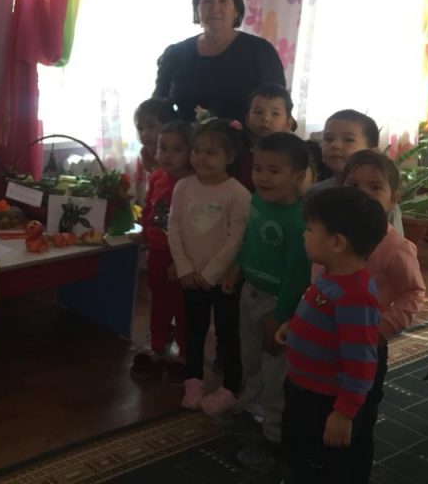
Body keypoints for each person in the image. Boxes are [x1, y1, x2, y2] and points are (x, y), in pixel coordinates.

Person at [276, 187, 386, 483]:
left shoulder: (355, 295)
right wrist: (294, 328)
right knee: (298, 453)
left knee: (322, 466)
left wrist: (343, 413)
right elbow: (325, 323)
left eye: (310, 229)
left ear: (337, 242)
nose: (304, 235)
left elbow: (362, 363)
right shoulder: (333, 277)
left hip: (325, 402)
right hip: (304, 389)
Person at [222, 132, 310, 471]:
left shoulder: (299, 219)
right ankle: (251, 407)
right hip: (250, 292)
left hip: (277, 303)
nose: (263, 177)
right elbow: (250, 240)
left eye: (274, 171)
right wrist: (238, 266)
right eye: (258, 168)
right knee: (250, 357)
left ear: (297, 176)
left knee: (275, 369)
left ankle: (274, 436)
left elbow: (297, 275)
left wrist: (281, 315)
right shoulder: (257, 200)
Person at [339, 150, 425, 481]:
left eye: (375, 187)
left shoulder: (394, 247)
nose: (362, 194)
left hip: (367, 347)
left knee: (359, 419)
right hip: (327, 339)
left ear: (393, 199)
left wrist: (381, 330)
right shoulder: (330, 234)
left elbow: (414, 293)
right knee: (323, 408)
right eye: (353, 185)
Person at [167, 118, 250, 415]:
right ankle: (194, 381)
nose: (201, 158)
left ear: (229, 156)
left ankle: (230, 387)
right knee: (194, 331)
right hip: (191, 277)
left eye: (210, 152)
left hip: (221, 278)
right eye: (197, 151)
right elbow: (173, 228)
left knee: (227, 333)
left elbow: (237, 238)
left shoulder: (237, 193)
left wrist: (211, 274)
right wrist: (184, 268)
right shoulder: (183, 187)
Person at [153, 0, 286, 124]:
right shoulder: (175, 53)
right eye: (207, 1)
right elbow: (157, 108)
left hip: (244, 138)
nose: (215, 9)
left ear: (236, 10)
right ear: (196, 10)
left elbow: (279, 108)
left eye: (223, 1)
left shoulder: (260, 51)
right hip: (187, 138)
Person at [132, 121, 193, 381]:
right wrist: (144, 234)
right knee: (159, 301)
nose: (168, 155)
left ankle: (185, 353)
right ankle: (158, 344)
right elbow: (149, 207)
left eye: (177, 149)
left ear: (190, 152)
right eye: (163, 148)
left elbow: (194, 227)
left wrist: (181, 262)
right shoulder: (157, 176)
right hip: (157, 252)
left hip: (182, 257)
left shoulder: (192, 184)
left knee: (182, 306)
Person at [308, 109, 404, 236]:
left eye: (348, 140)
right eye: (329, 139)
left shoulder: (384, 202)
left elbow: (395, 244)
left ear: (372, 152)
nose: (335, 145)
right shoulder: (316, 193)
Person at [235, 83, 296, 192]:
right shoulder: (238, 149)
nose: (265, 118)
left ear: (288, 123)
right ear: (247, 120)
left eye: (275, 113)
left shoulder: (293, 154)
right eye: (258, 112)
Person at [131, 98, 175, 206]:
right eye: (140, 128)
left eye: (151, 126)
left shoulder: (172, 156)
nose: (145, 133)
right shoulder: (144, 154)